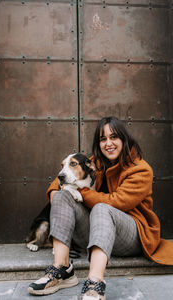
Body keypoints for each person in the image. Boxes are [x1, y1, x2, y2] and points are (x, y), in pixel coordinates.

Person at [28, 116, 173, 300]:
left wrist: (81, 192)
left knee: (102, 207)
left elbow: (117, 202)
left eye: (114, 137)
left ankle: (95, 282)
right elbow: (62, 179)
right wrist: (56, 194)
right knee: (64, 194)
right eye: (103, 139)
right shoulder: (96, 162)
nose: (108, 143)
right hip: (100, 233)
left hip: (134, 236)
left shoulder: (140, 169)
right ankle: (62, 269)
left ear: (124, 139)